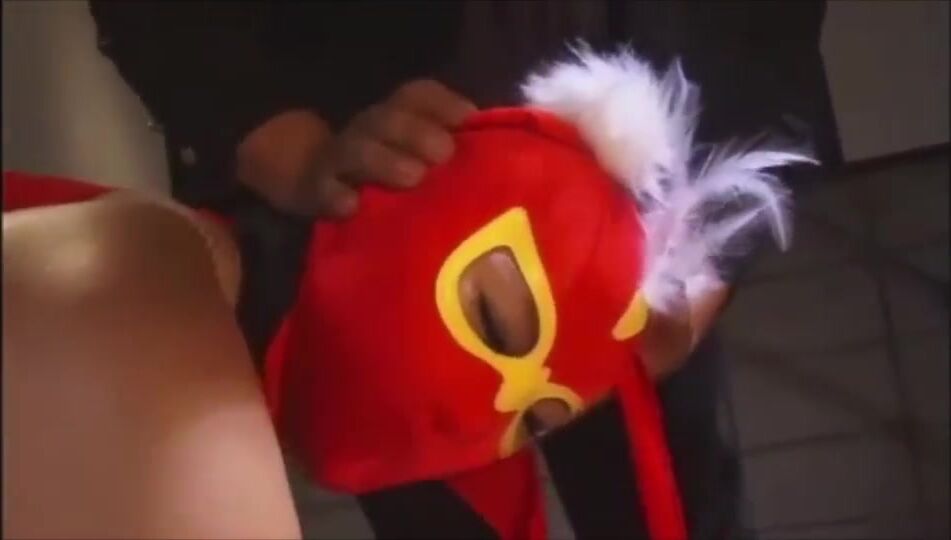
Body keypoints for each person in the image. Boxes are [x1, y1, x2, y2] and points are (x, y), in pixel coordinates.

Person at [42, 1, 836, 538]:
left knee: (676, 504)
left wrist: (699, 262)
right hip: (367, 245)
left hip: (638, 234)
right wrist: (293, 150)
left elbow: (761, 28)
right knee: (430, 502)